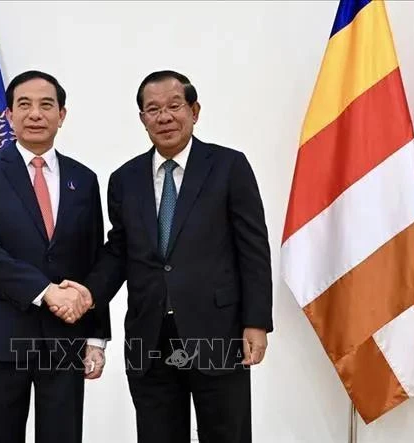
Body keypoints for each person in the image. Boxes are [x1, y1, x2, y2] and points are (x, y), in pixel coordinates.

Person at [57, 70, 273, 443]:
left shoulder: (228, 167)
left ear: (195, 110)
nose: (164, 116)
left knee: (227, 434)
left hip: (217, 332)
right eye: (153, 109)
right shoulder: (125, 179)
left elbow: (253, 250)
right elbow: (120, 250)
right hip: (150, 335)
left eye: (175, 106)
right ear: (142, 119)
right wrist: (88, 294)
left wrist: (256, 322)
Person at [0, 70, 110, 443]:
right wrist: (46, 292)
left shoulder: (84, 178)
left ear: (62, 115)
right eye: (24, 105)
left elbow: (94, 259)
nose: (35, 114)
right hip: (1, 338)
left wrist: (96, 338)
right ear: (9, 115)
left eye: (47, 105)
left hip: (65, 340)